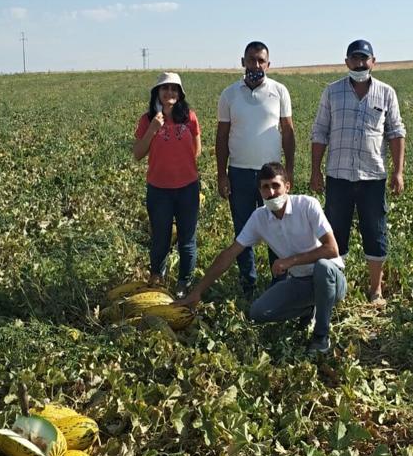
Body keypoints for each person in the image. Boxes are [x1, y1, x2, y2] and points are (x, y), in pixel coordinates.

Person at [175, 162, 346, 356]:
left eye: (276, 185)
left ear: (287, 187)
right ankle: (309, 309)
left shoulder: (307, 205)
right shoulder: (259, 217)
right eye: (265, 187)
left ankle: (321, 336)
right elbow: (230, 254)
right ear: (260, 191)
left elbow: (332, 249)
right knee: (258, 313)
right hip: (301, 282)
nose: (271, 192)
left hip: (332, 280)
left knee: (323, 267)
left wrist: (289, 261)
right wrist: (198, 291)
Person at [310, 39, 405, 307]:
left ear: (373, 62)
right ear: (346, 62)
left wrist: (398, 172)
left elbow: (396, 133)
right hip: (338, 176)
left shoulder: (386, 93)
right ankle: (337, 288)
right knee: (335, 232)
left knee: (375, 232)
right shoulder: (332, 92)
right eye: (355, 59)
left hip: (373, 177)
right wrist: (315, 170)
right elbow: (319, 132)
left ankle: (375, 290)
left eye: (365, 59)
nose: (360, 63)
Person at [216, 41, 296, 299]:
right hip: (239, 172)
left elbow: (288, 132)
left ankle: (279, 281)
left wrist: (289, 171)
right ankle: (248, 283)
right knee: (243, 231)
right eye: (251, 60)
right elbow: (222, 135)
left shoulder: (279, 91)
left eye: (261, 61)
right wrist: (221, 173)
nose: (256, 65)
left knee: (277, 228)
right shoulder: (229, 94)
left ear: (268, 64)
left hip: (271, 176)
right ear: (243, 62)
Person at [133, 72, 201, 296]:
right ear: (157, 93)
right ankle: (157, 278)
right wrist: (153, 128)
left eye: (174, 89)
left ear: (180, 94)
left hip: (187, 189)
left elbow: (197, 150)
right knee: (160, 238)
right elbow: (138, 154)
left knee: (187, 240)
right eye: (165, 88)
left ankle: (184, 283)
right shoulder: (147, 119)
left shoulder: (189, 117)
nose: (169, 92)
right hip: (159, 190)